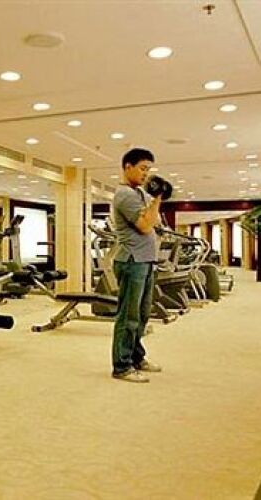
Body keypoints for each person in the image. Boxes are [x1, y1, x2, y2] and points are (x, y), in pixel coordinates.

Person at [111, 148, 163, 383]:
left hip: (145, 260)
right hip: (132, 261)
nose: (146, 174)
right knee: (128, 317)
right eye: (142, 168)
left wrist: (153, 202)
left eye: (148, 169)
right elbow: (144, 226)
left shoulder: (139, 193)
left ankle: (136, 357)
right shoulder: (125, 195)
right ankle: (121, 366)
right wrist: (157, 199)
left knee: (141, 316)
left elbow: (155, 220)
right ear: (127, 167)